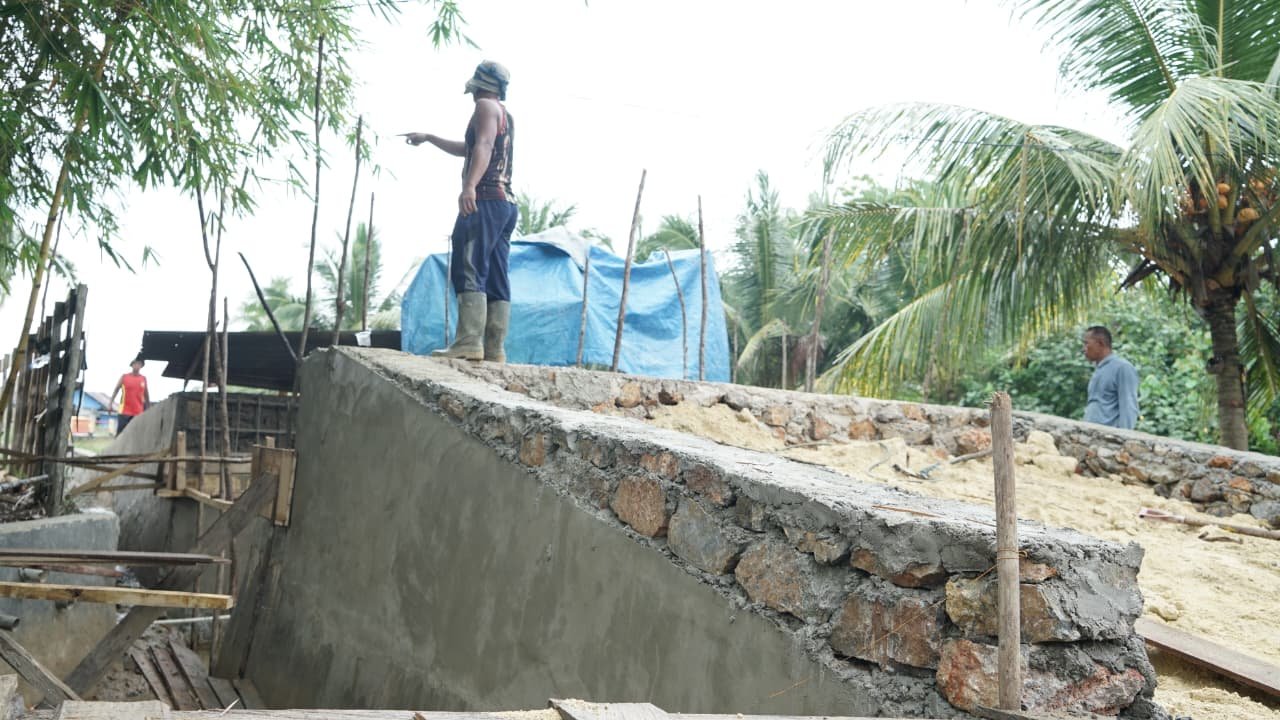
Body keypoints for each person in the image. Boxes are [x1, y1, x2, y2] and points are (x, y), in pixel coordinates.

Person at [403, 60, 518, 363]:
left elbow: (483, 146)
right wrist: (429, 137)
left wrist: (469, 187)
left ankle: (468, 342)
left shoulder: (484, 106)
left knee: (469, 265)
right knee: (496, 273)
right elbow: (469, 148)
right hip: (505, 204)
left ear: (481, 85)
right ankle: (494, 348)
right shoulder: (503, 113)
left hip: (486, 200)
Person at [1082, 326, 1139, 429]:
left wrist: (1124, 436)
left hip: (1108, 435)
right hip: (1090, 433)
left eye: (1086, 344)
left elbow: (1129, 407)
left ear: (1100, 344)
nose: (1084, 349)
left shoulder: (1122, 368)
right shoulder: (1099, 369)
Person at [110, 357, 150, 434]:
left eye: (139, 364)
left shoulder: (143, 378)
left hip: (138, 412)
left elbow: (146, 394)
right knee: (120, 434)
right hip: (124, 411)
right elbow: (116, 390)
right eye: (135, 364)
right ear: (132, 365)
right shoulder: (124, 377)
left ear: (141, 366)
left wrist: (148, 408)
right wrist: (110, 403)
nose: (137, 366)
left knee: (136, 434)